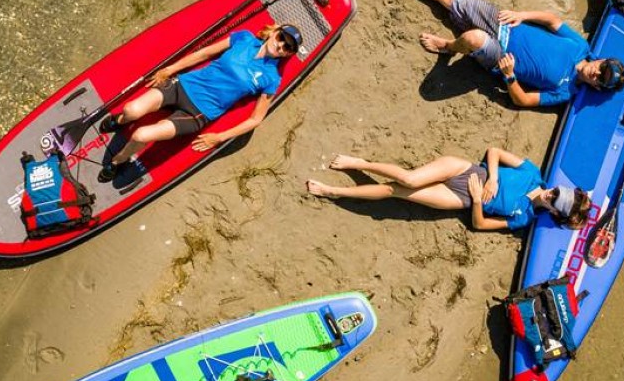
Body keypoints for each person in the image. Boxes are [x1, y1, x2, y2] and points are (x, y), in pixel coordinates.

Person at [380, 0, 624, 107]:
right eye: (602, 67)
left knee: (472, 38)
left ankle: (448, 47)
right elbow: (553, 21)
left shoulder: (565, 91)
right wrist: (522, 15)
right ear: (601, 59)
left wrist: (509, 76)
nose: (596, 73)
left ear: (596, 87)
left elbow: (523, 101)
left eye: (600, 79)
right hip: (506, 23)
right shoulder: (580, 47)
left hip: (500, 56)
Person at [98, 23, 302, 186]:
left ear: (288, 54)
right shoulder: (244, 38)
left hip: (198, 113)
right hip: (183, 85)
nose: (281, 45)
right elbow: (205, 54)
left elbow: (256, 119)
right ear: (274, 32)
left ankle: (118, 161)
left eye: (287, 48)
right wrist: (171, 69)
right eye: (281, 38)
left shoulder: (272, 78)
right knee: (130, 110)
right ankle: (120, 120)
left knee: (141, 135)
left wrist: (219, 138)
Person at [305, 147, 590, 233]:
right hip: (466, 171)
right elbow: (494, 151)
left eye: (555, 200)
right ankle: (361, 162)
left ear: (554, 211)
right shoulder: (532, 174)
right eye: (556, 190)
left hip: (462, 198)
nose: (551, 193)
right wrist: (491, 178)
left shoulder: (523, 218)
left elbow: (479, 224)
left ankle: (333, 191)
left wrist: (478, 199)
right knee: (410, 179)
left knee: (396, 192)